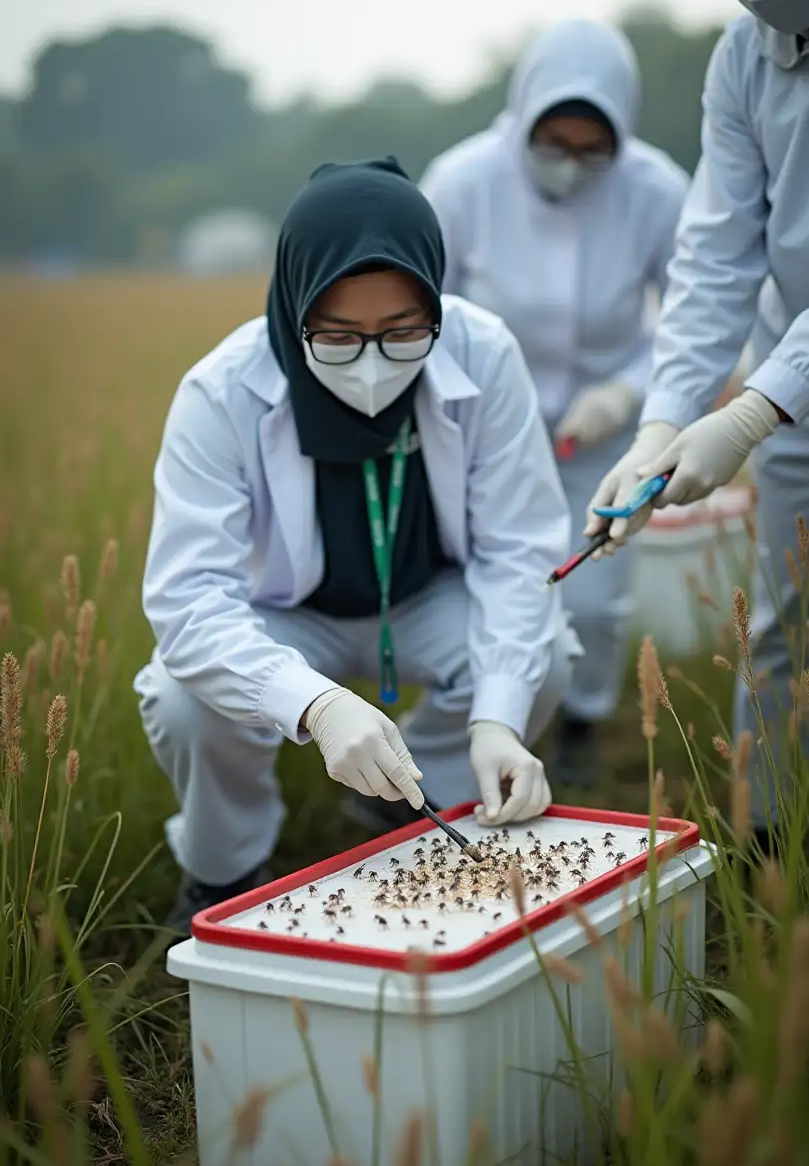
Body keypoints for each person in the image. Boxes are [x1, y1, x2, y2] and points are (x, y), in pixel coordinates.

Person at [134, 157, 581, 934]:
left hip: (425, 597)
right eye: (338, 336)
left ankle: (413, 800)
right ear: (295, 302)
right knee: (183, 698)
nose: (373, 363)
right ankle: (221, 868)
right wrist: (312, 700)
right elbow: (188, 599)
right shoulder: (221, 391)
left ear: (436, 301)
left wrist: (498, 718)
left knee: (543, 663)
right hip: (285, 611)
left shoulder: (485, 353)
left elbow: (519, 550)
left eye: (405, 333)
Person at [585, 0, 809, 843]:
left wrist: (755, 407)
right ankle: (768, 851)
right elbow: (717, 253)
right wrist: (667, 420)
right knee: (781, 624)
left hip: (781, 385)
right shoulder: (743, 60)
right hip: (789, 383)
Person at [419, 20, 690, 790]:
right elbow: (426, 307)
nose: (570, 165)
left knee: (595, 598)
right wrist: (471, 398)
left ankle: (578, 723)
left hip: (602, 434)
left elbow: (692, 313)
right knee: (486, 580)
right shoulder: (463, 180)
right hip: (483, 429)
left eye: (590, 149)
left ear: (621, 134)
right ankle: (468, 731)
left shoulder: (657, 190)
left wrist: (627, 391)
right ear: (524, 115)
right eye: (554, 142)